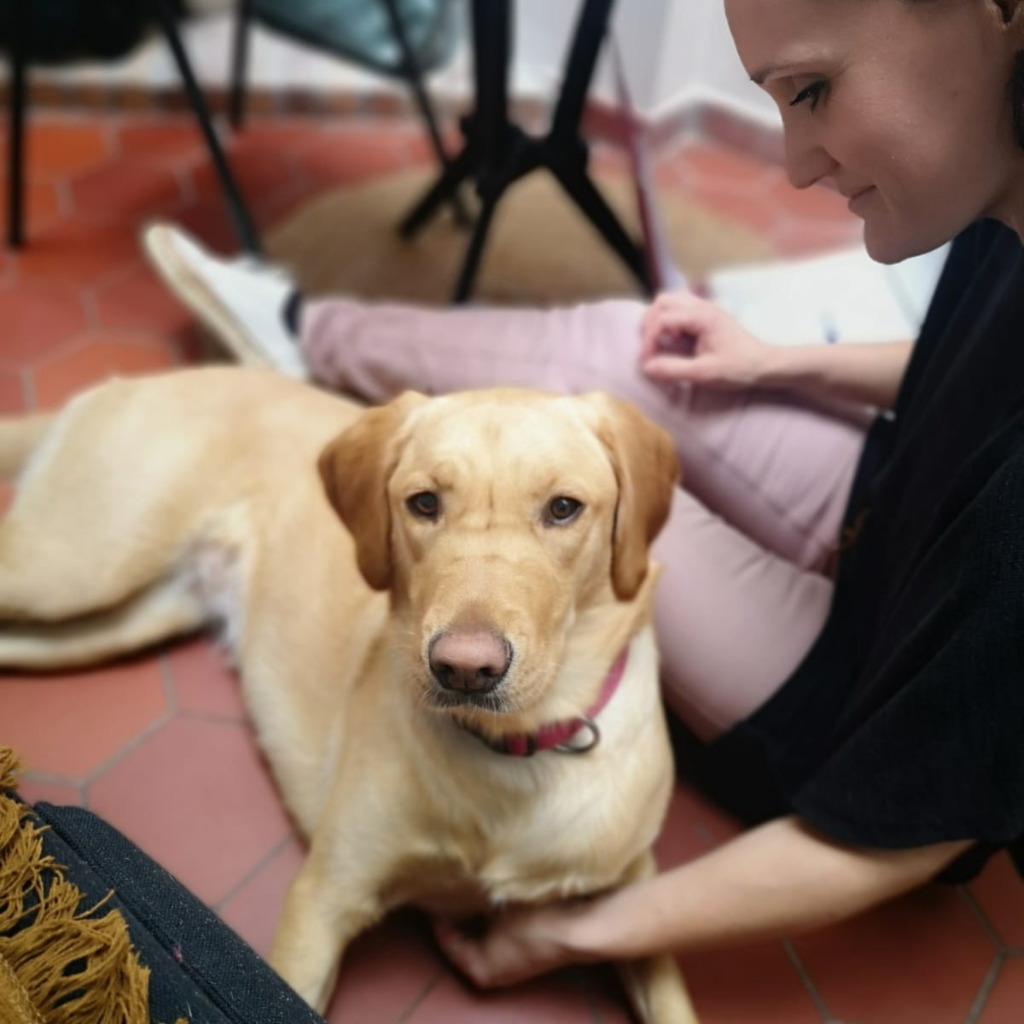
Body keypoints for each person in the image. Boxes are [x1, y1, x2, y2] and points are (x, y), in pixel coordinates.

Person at [143, 0, 1024, 992]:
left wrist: (569, 933)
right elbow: (979, 362)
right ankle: (304, 332)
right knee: (628, 347)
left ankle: (319, 360)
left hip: (860, 684)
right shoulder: (999, 171)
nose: (794, 163)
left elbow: (913, 824)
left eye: (813, 89)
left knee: (582, 475)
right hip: (903, 494)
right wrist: (773, 360)